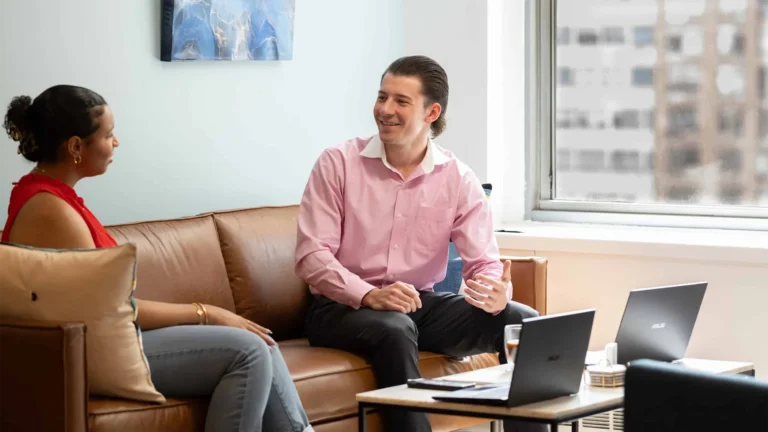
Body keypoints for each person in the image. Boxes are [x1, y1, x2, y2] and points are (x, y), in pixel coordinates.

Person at [2, 85, 313, 432]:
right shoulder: (50, 210)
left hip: (108, 336)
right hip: (94, 352)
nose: (116, 143)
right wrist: (207, 313)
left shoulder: (54, 198)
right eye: (109, 134)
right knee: (248, 351)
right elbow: (114, 308)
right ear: (76, 146)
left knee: (261, 343)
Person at [295, 55, 546, 431]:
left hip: (416, 304)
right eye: (382, 97)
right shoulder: (338, 163)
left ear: (432, 112)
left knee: (522, 320)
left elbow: (484, 262)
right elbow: (312, 257)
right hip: (339, 309)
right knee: (394, 328)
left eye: (400, 101)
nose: (384, 110)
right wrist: (368, 295)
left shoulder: (457, 178)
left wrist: (496, 290)